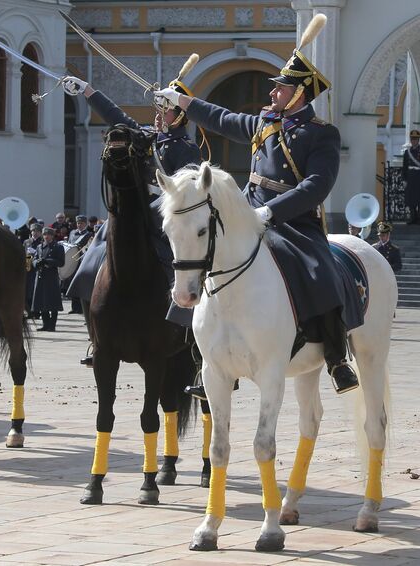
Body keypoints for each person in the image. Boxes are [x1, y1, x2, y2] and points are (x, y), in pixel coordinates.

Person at [156, 28, 361, 394]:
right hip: (246, 209)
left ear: (300, 93)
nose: (272, 92)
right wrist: (184, 102)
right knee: (204, 259)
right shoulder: (263, 123)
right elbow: (221, 118)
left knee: (320, 271)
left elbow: (317, 185)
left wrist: (272, 212)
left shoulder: (322, 134)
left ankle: (336, 357)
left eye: (280, 88)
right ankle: (209, 360)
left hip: (294, 220)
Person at [63, 69, 201, 364]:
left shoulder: (187, 149)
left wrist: (148, 210)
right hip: (133, 216)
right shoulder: (147, 137)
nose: (158, 115)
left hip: (164, 220)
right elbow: (118, 118)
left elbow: (184, 197)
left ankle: (193, 338)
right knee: (95, 255)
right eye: (157, 109)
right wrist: (88, 91)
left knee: (178, 267)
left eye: (164, 110)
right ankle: (96, 335)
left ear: (179, 116)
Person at [31, 227, 65, 331]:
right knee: (42, 302)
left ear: (52, 236)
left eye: (48, 234)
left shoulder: (58, 247)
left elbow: (61, 262)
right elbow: (34, 259)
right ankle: (45, 324)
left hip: (51, 277)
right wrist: (37, 263)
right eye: (44, 234)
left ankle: (52, 325)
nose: (46, 236)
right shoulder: (39, 247)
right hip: (41, 276)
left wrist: (47, 261)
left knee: (53, 302)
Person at [402, 129, 420, 223]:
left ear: (418, 140)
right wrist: (404, 179)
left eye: (416, 139)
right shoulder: (407, 152)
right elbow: (404, 167)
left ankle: (418, 219)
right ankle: (413, 218)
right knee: (410, 199)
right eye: (412, 139)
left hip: (418, 177)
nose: (414, 141)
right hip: (410, 177)